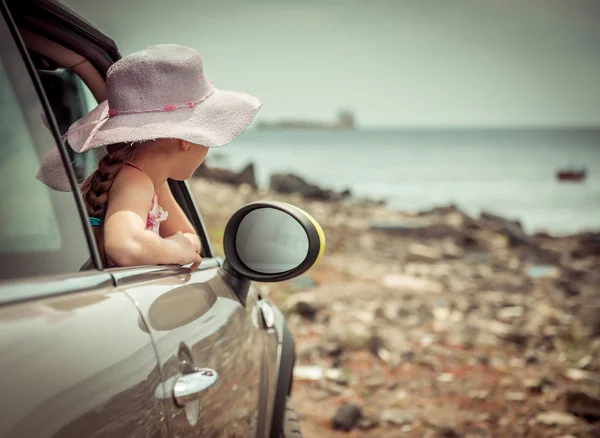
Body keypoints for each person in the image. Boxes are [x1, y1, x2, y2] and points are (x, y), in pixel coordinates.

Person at [38, 44, 261, 269]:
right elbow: (124, 246)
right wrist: (176, 250)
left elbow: (186, 236)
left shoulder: (152, 181)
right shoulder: (136, 181)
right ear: (187, 139)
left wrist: (181, 245)